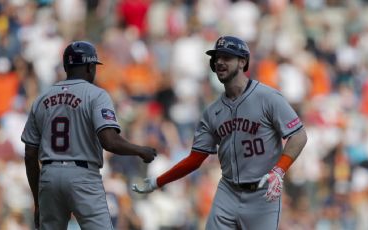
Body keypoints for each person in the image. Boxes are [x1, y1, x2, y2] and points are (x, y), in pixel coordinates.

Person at [132, 35, 308, 229]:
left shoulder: (268, 97)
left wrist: (279, 169)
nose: (220, 62)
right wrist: (158, 181)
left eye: (227, 57)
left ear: (243, 62)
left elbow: (299, 135)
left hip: (262, 193)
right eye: (217, 58)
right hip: (228, 191)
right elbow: (195, 159)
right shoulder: (212, 112)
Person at [21, 41, 157, 230]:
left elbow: (29, 155)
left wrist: (37, 200)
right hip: (82, 175)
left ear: (66, 66)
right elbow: (109, 141)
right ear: (90, 67)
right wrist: (140, 150)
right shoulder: (96, 95)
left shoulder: (41, 99)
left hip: (49, 174)